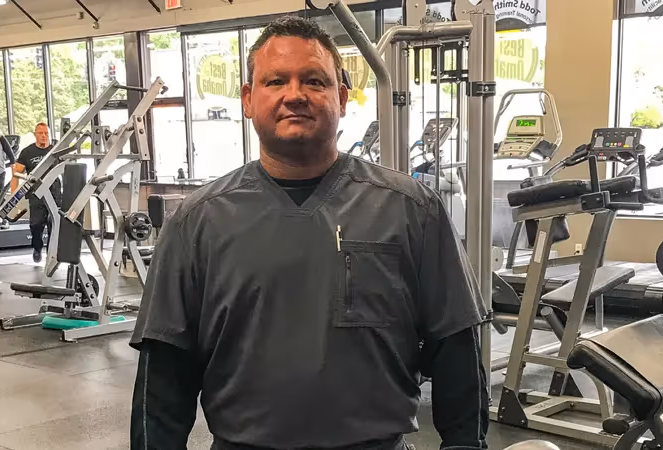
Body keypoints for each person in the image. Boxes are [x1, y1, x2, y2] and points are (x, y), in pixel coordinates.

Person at [130, 16, 489, 450]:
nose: (295, 95)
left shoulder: (412, 210)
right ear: (248, 99)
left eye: (314, 80)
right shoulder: (197, 222)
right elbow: (164, 377)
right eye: (276, 80)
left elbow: (456, 354)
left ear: (341, 95)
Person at [12, 123, 60, 262]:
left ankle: (51, 253)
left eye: (46, 133)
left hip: (54, 193)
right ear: (35, 134)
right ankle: (37, 247)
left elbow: (67, 168)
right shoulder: (27, 152)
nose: (44, 136)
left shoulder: (56, 151)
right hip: (36, 194)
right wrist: (14, 194)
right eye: (40, 133)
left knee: (54, 223)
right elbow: (16, 173)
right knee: (36, 225)